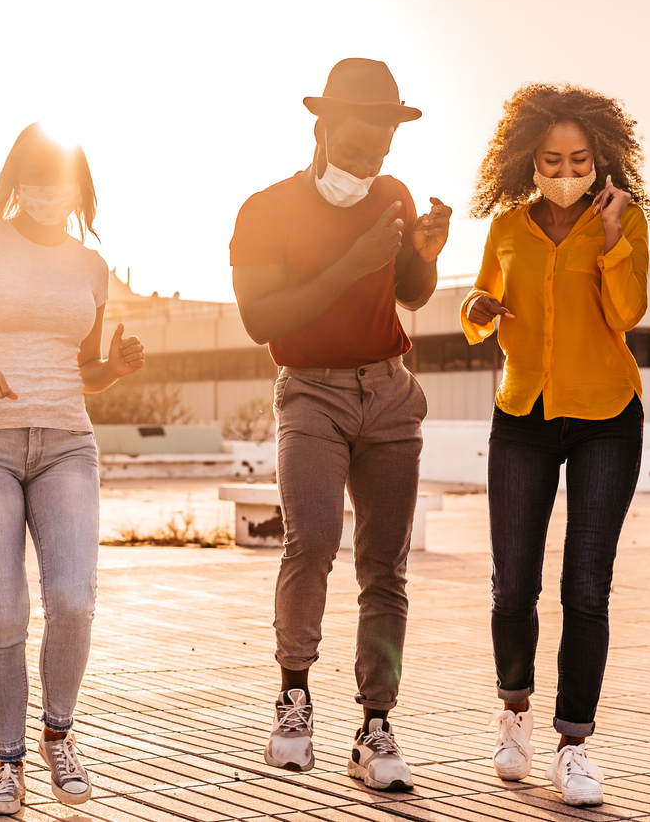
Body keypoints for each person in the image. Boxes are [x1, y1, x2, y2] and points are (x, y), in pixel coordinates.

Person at [0, 123, 144, 814]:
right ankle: (6, 763)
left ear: (79, 188)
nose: (48, 192)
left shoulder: (90, 266)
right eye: (36, 178)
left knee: (73, 598)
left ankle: (58, 736)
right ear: (18, 179)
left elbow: (85, 372)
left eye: (61, 180)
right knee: (5, 611)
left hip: (67, 441)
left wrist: (117, 368)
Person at [230, 58, 450, 791]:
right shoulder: (264, 210)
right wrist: (351, 262)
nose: (369, 164)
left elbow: (409, 293)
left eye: (382, 151)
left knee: (384, 567)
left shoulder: (392, 193)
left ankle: (375, 727)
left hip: (388, 393)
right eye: (356, 147)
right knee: (314, 539)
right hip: (312, 394)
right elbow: (264, 318)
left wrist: (423, 252)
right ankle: (293, 700)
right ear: (321, 127)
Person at [461, 83, 650, 807]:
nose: (566, 169)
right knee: (514, 583)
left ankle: (574, 746)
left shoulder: (624, 224)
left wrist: (608, 241)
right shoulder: (508, 226)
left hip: (606, 414)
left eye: (578, 158)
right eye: (551, 158)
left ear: (600, 158)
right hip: (524, 415)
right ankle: (514, 713)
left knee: (586, 587)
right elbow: (481, 303)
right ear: (528, 160)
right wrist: (475, 310)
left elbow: (628, 312)